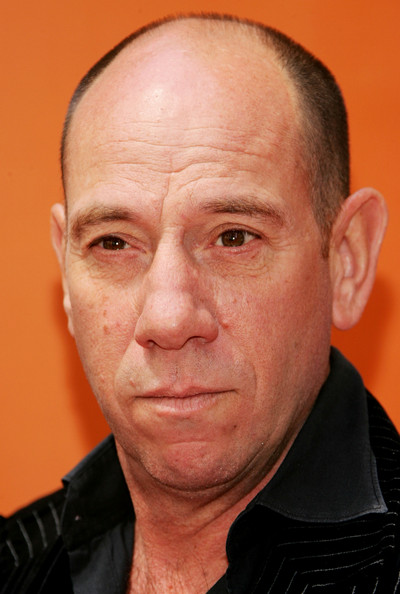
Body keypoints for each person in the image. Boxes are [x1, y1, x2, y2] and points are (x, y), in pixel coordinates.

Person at [1, 13, 398, 594]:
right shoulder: (14, 562)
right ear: (65, 267)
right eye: (113, 243)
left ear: (347, 260)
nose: (168, 319)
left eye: (233, 237)